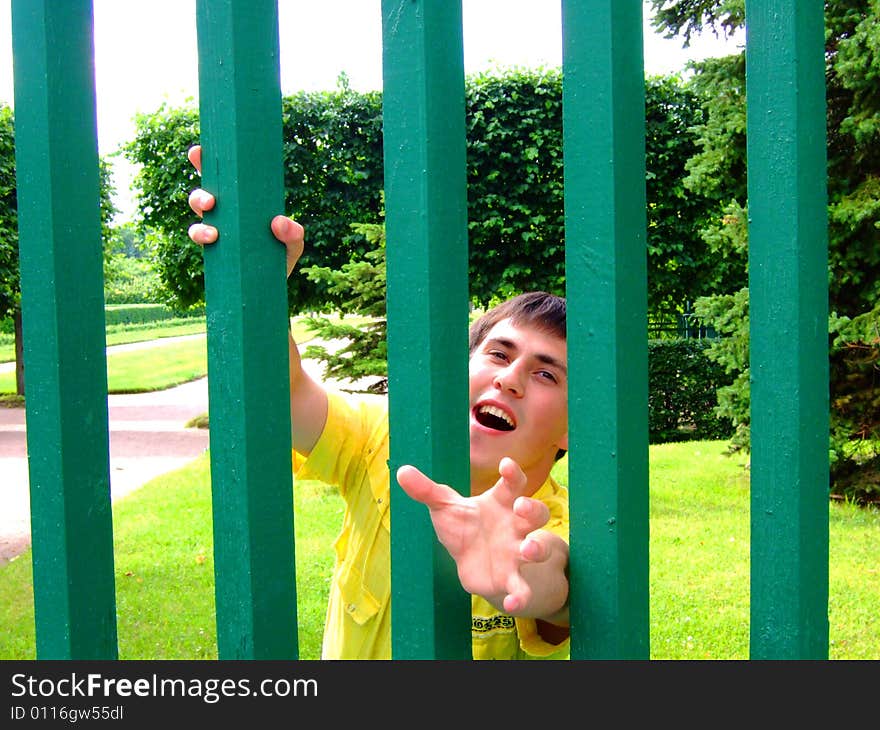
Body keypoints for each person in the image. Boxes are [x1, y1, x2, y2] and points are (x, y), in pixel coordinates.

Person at [186, 145, 571, 659]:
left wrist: (517, 572)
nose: (511, 379)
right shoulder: (381, 437)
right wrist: (257, 281)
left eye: (546, 373)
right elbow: (283, 393)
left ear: (572, 428)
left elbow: (557, 594)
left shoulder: (552, 520)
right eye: (498, 353)